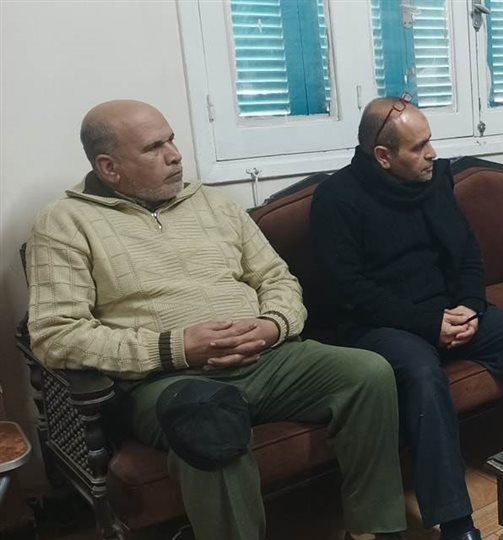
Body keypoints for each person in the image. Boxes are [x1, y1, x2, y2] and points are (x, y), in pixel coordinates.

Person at [25, 100, 408, 540]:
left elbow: (277, 278)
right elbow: (56, 335)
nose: (175, 155)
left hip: (268, 359)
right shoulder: (65, 223)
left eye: (171, 140)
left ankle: (375, 530)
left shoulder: (212, 203)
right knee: (206, 419)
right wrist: (177, 348)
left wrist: (273, 325)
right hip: (170, 382)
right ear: (109, 167)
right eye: (153, 148)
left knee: (368, 372)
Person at [310, 96, 503, 540]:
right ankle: (456, 521)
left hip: (450, 311)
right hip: (382, 325)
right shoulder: (336, 200)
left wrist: (470, 304)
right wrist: (429, 323)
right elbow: (350, 292)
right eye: (419, 147)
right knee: (422, 376)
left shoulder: (433, 182)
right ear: (383, 155)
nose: (432, 153)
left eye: (429, 141)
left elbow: (468, 250)